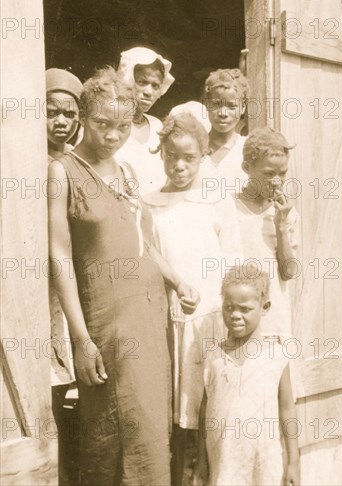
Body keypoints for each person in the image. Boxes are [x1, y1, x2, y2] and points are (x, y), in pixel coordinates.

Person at [48, 67, 199, 486]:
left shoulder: (129, 174)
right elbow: (59, 257)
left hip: (148, 321)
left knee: (150, 428)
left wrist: (176, 279)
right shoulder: (63, 172)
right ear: (82, 116)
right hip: (106, 323)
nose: (112, 136)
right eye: (101, 124)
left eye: (120, 126)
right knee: (108, 437)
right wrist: (81, 339)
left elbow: (143, 244)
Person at [143, 113, 243, 486]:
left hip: (212, 319)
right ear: (161, 155)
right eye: (171, 156)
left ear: (203, 154)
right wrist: (172, 289)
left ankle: (207, 476)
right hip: (171, 320)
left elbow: (234, 260)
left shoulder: (217, 200)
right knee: (173, 410)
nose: (179, 165)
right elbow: (149, 256)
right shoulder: (150, 203)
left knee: (209, 408)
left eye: (189, 157)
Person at [193, 265, 300, 486]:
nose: (235, 315)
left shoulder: (276, 357)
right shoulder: (213, 357)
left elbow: (288, 409)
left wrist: (293, 462)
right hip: (224, 462)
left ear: (265, 307)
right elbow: (205, 412)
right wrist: (202, 462)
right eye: (228, 307)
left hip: (264, 462)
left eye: (244, 309)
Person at [46, 67, 83, 485]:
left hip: (69, 283)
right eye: (51, 111)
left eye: (69, 114)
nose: (60, 121)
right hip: (30, 286)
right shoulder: (19, 158)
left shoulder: (77, 163)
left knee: (69, 394)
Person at [235, 126, 299, 340]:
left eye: (282, 174)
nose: (277, 181)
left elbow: (289, 272)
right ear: (247, 168)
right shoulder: (229, 209)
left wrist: (281, 226)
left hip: (275, 319)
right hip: (238, 318)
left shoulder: (286, 214)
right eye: (269, 174)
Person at [115, 46, 175, 194]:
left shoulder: (157, 126)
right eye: (142, 82)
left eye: (155, 86)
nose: (149, 92)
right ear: (127, 79)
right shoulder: (108, 124)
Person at [203, 68, 249, 194]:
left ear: (243, 107)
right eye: (216, 104)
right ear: (207, 104)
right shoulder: (194, 147)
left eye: (231, 106)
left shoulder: (249, 149)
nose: (223, 113)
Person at [46, 68, 83, 162]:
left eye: (70, 114)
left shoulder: (78, 158)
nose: (61, 122)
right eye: (51, 113)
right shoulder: (28, 160)